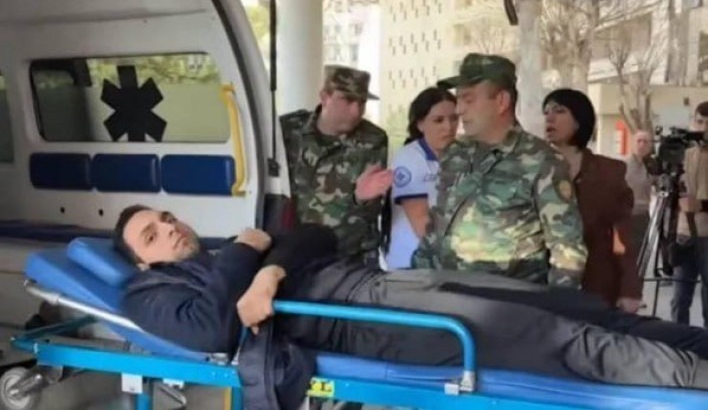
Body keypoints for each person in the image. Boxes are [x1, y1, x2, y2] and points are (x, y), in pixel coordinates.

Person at [117, 205, 708, 395]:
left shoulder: (231, 251)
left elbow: (316, 235)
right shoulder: (149, 293)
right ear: (143, 261)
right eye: (152, 234)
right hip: (369, 324)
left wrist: (268, 269)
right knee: (570, 343)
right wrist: (247, 253)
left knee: (574, 308)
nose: (169, 228)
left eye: (166, 218)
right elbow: (212, 328)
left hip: (391, 284)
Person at [412, 53, 587, 287]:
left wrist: (552, 306)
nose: (460, 110)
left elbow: (567, 250)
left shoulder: (541, 161)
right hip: (445, 295)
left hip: (505, 302)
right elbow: (437, 225)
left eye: (468, 99)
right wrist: (418, 281)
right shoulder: (455, 154)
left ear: (501, 101)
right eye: (459, 100)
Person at [280, 65, 391, 269]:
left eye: (362, 102)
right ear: (325, 97)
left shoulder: (372, 140)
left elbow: (370, 212)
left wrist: (360, 199)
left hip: (349, 256)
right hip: (292, 253)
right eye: (347, 100)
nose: (356, 111)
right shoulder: (287, 130)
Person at [543, 88, 642, 312]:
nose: (549, 117)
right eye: (546, 112)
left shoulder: (608, 172)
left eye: (559, 111)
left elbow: (622, 236)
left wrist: (629, 289)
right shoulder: (534, 168)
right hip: (546, 285)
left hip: (597, 285)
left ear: (580, 120)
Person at [385, 87, 458, 270]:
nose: (449, 127)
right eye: (438, 120)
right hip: (411, 265)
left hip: (445, 264)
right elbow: (422, 224)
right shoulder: (409, 158)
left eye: (454, 118)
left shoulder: (460, 156)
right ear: (420, 124)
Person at [672, 101, 708, 327]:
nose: (703, 128)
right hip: (684, 234)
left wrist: (701, 205)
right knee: (679, 298)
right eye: (700, 122)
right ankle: (679, 341)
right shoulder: (684, 155)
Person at [625, 130, 655, 262]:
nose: (642, 145)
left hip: (643, 216)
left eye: (645, 142)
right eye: (639, 141)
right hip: (626, 216)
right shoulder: (624, 165)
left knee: (641, 256)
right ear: (632, 143)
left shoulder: (650, 166)